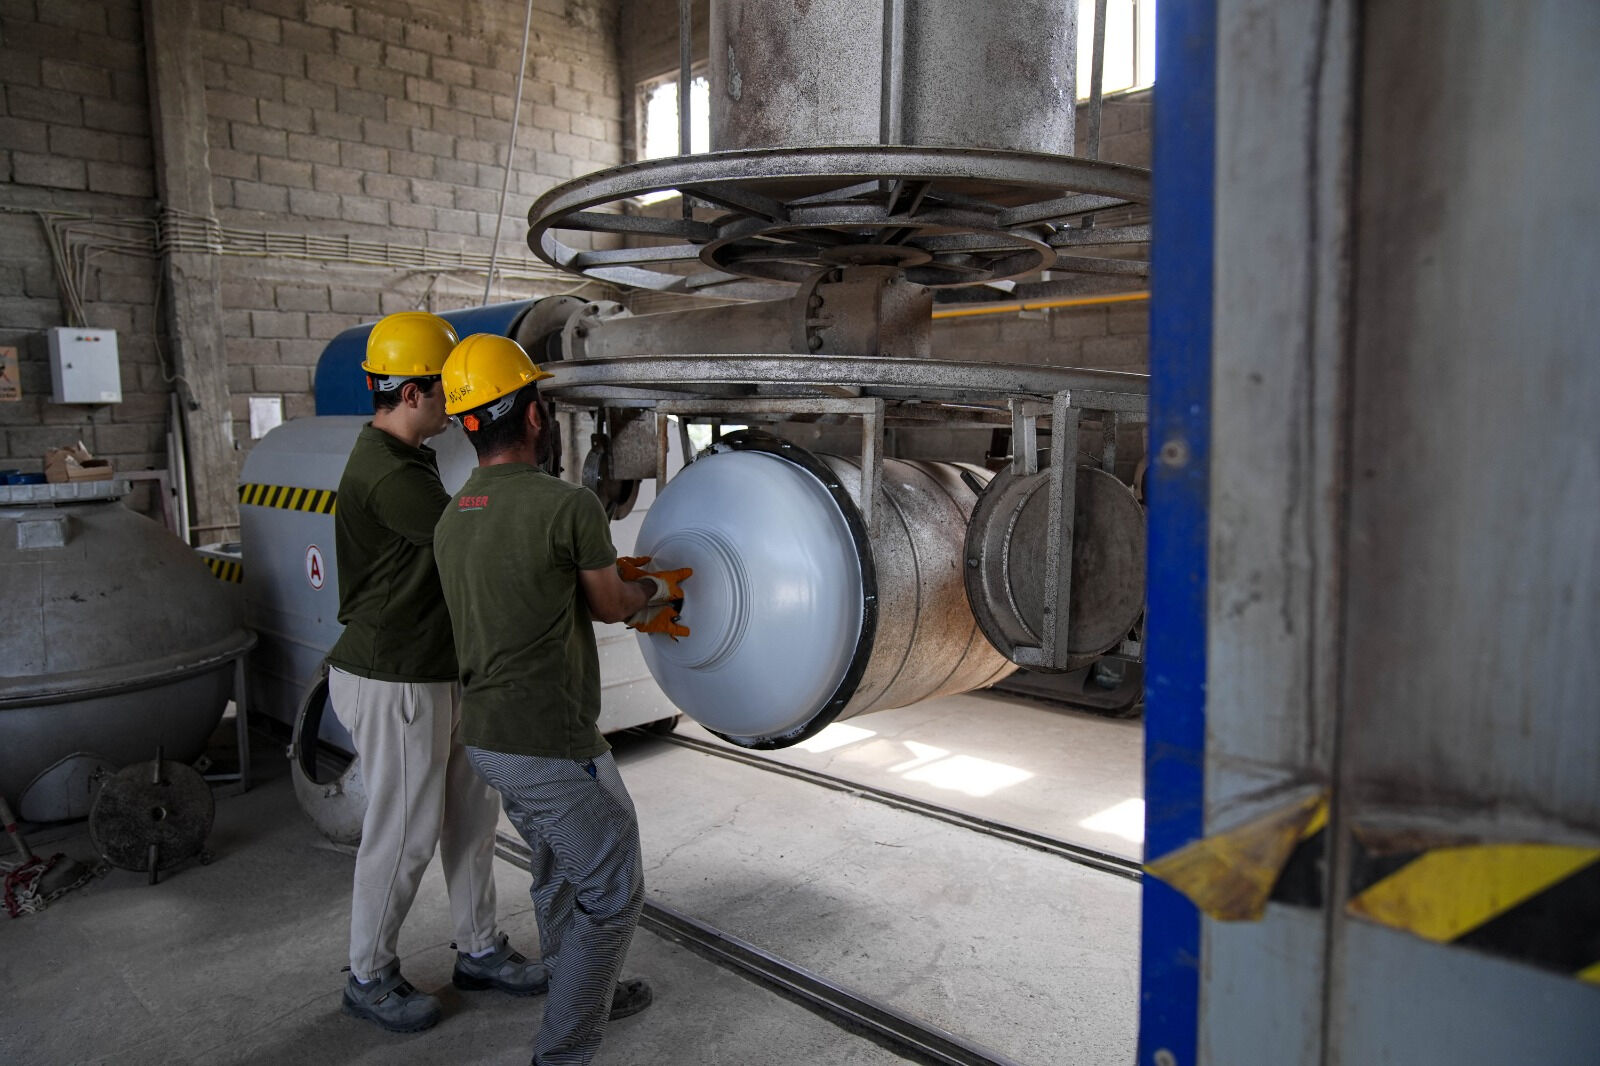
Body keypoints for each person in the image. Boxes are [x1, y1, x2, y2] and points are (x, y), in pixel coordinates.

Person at [432, 333, 689, 1066]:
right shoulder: (566, 506)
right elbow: (610, 606)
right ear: (537, 415)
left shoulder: (455, 517)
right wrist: (656, 588)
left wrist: (604, 578)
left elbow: (527, 591)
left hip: (487, 734)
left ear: (469, 423)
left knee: (556, 868)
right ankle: (565, 1050)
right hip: (548, 737)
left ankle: (586, 988)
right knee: (613, 888)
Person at [326, 312, 546, 1034]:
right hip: (396, 677)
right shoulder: (389, 475)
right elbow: (468, 544)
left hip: (437, 669)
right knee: (406, 830)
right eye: (447, 392)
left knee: (471, 816)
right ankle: (369, 972)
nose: (456, 408)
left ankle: (478, 946)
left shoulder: (407, 458)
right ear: (414, 392)